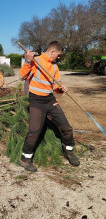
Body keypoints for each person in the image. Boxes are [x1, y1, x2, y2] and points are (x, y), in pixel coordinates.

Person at [19, 40, 80, 172]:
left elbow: (56, 86)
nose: (59, 57)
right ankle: (25, 159)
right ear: (52, 51)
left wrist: (61, 88)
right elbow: (22, 76)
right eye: (58, 55)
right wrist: (28, 62)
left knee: (66, 127)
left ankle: (69, 151)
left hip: (50, 100)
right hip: (36, 101)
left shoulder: (54, 67)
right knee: (35, 131)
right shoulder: (35, 61)